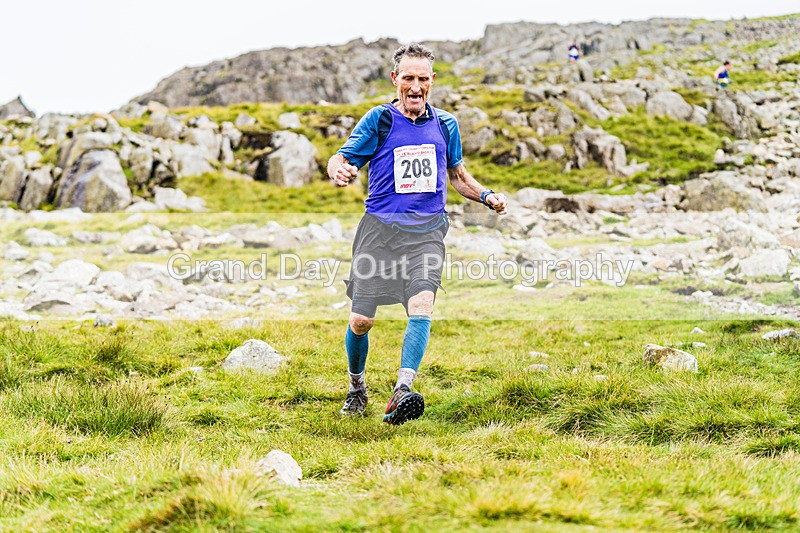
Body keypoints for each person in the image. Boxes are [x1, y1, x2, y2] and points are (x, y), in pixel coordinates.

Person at [327, 43, 508, 425]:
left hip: (426, 234)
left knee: (422, 305)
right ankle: (357, 388)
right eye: (407, 78)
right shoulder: (379, 120)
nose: (415, 86)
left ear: (432, 82)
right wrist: (338, 170)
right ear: (395, 80)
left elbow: (458, 176)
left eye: (422, 79)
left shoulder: (445, 124)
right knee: (361, 320)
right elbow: (341, 157)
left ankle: (401, 391)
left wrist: (486, 195)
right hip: (379, 232)